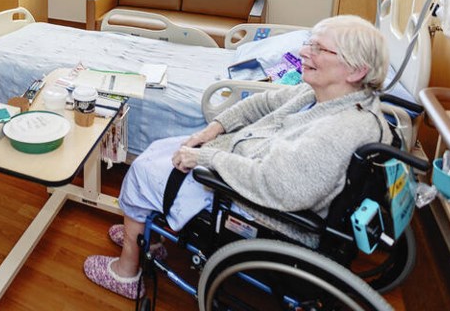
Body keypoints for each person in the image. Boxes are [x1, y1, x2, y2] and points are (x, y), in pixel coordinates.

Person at [83, 15, 391, 300]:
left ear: (355, 70)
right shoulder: (321, 95)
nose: (304, 52)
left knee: (142, 171)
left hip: (251, 202)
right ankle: (145, 238)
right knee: (160, 149)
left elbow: (278, 187)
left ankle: (126, 272)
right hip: (239, 156)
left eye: (319, 48)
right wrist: (212, 130)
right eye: (309, 43)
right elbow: (261, 103)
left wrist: (210, 159)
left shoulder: (338, 130)